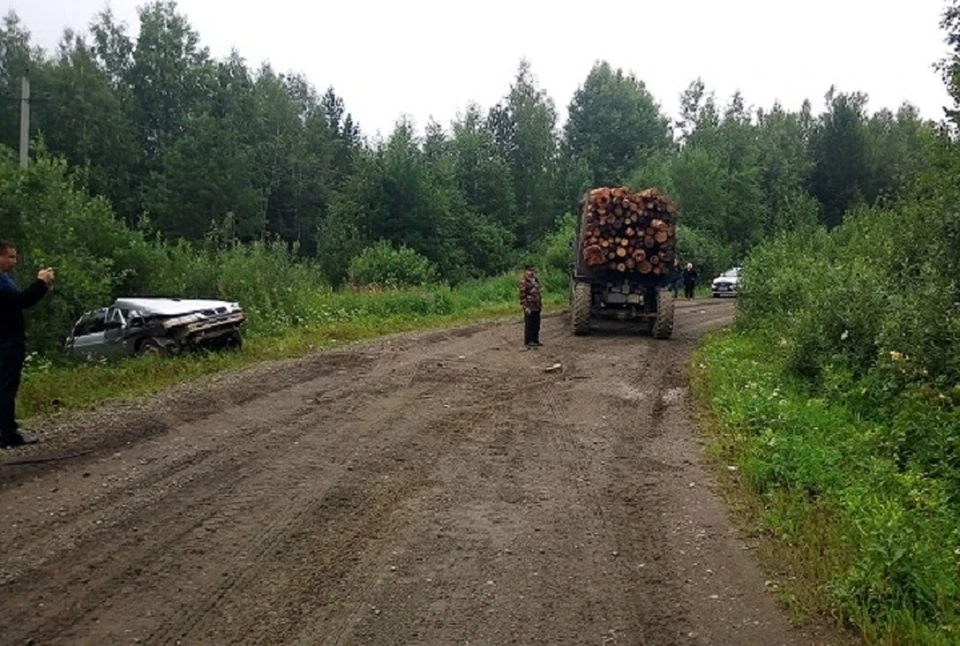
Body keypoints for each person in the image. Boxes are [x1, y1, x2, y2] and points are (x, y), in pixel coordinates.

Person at [0, 240, 55, 448]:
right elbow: (21, 301)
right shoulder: (1, 283)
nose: (15, 261)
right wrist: (41, 283)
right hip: (7, 340)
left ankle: (6, 429)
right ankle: (8, 434)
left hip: (6, 339)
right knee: (6, 387)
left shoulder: (4, 279)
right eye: (11, 256)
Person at [518, 264, 542, 349]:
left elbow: (538, 292)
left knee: (537, 324)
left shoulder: (535, 280)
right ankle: (529, 341)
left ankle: (535, 340)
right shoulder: (524, 282)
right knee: (529, 324)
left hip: (536, 305)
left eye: (532, 271)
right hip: (529, 306)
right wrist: (525, 307)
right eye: (529, 271)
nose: (531, 272)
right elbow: (522, 296)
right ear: (525, 272)